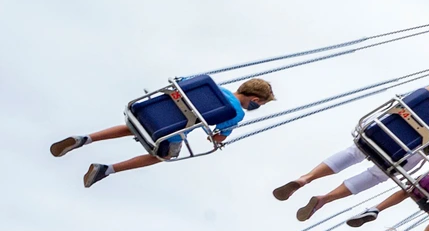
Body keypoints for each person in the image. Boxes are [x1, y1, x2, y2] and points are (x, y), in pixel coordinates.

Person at [273, 75, 429, 219]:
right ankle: (325, 198)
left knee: (353, 153)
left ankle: (305, 178)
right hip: (409, 151)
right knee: (377, 175)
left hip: (385, 131)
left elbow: (406, 102)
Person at [53, 77, 275, 190]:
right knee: (164, 156)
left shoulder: (207, 86)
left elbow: (178, 83)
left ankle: (85, 139)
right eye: (260, 104)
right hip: (168, 134)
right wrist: (217, 139)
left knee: (134, 127)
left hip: (148, 112)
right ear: (255, 100)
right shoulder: (235, 112)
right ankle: (107, 169)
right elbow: (217, 137)